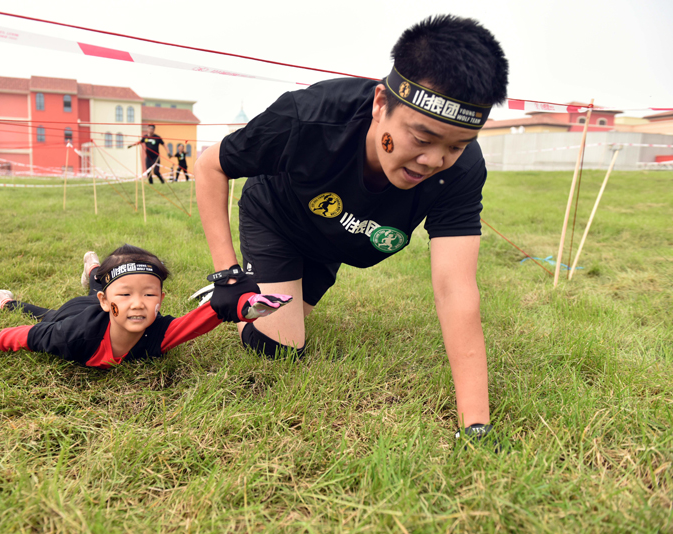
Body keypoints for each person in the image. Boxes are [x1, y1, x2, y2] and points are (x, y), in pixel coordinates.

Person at [194, 15, 509, 443]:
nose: (434, 160)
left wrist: (476, 424)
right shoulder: (309, 116)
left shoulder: (460, 173)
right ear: (381, 104)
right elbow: (211, 165)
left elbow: (456, 289)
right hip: (278, 219)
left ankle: (276, 290)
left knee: (290, 321)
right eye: (422, 137)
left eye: (456, 145)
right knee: (279, 348)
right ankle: (241, 288)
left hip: (331, 243)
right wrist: (227, 274)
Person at [0, 245, 291, 369]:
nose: (138, 304)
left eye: (149, 295)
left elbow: (202, 318)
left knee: (102, 289)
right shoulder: (71, 336)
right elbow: (24, 336)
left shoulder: (156, 333)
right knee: (40, 313)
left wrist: (245, 306)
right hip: (75, 312)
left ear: (160, 300)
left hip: (101, 302)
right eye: (126, 295)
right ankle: (6, 298)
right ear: (108, 301)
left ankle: (94, 268)